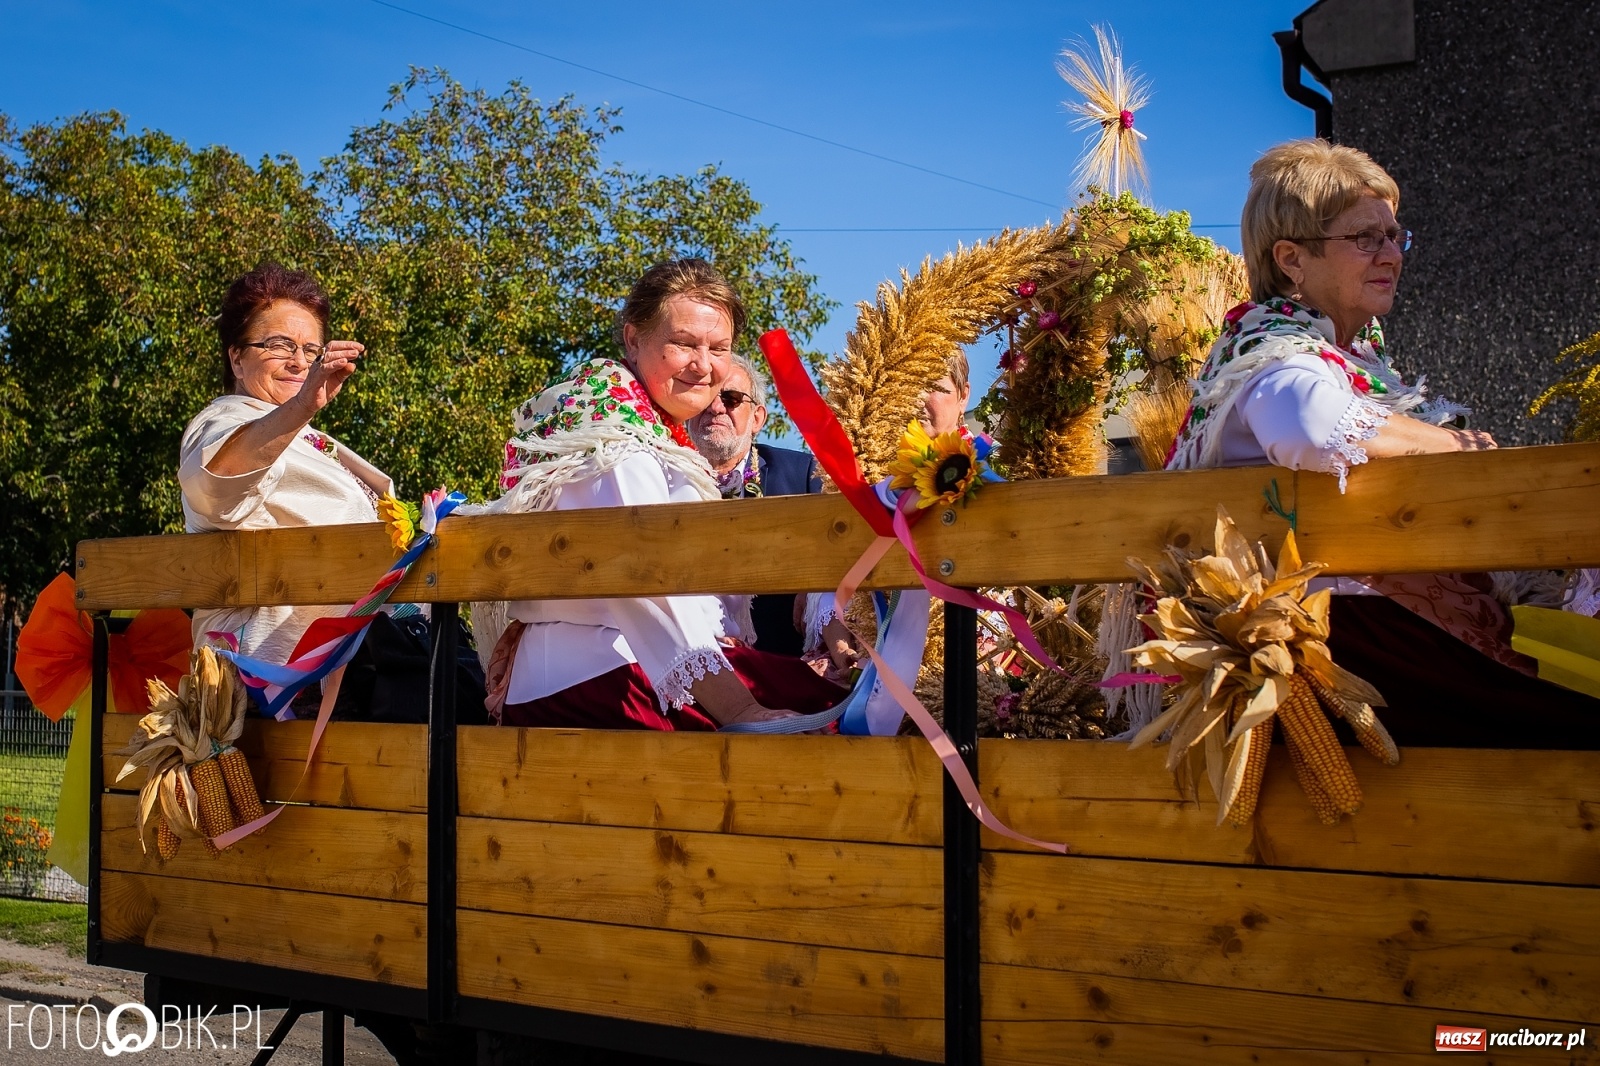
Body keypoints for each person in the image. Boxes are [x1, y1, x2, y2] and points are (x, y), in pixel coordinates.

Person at [1164, 139, 1599, 747]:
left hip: (1380, 633)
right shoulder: (1273, 352)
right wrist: (1459, 448)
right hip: (1335, 645)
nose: (1391, 254)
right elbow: (1310, 430)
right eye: (1366, 238)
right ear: (1292, 258)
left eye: (1395, 236)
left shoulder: (1342, 357)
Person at [481, 258, 847, 731]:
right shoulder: (618, 445)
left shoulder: (631, 419)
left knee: (843, 696)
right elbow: (651, 586)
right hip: (599, 672)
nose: (704, 365)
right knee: (840, 718)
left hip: (605, 665)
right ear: (634, 339)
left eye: (719, 348)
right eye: (684, 344)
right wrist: (741, 709)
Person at [179, 263, 389, 665]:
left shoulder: (306, 435)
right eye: (279, 345)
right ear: (237, 359)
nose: (299, 362)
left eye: (312, 351)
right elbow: (215, 485)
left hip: (358, 659)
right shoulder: (222, 422)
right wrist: (302, 406)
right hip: (275, 673)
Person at [687, 354, 822, 655]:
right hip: (686, 659)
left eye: (731, 398)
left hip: (783, 663)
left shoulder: (803, 475)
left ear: (757, 418)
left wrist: (817, 585)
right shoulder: (664, 478)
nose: (715, 407)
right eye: (705, 397)